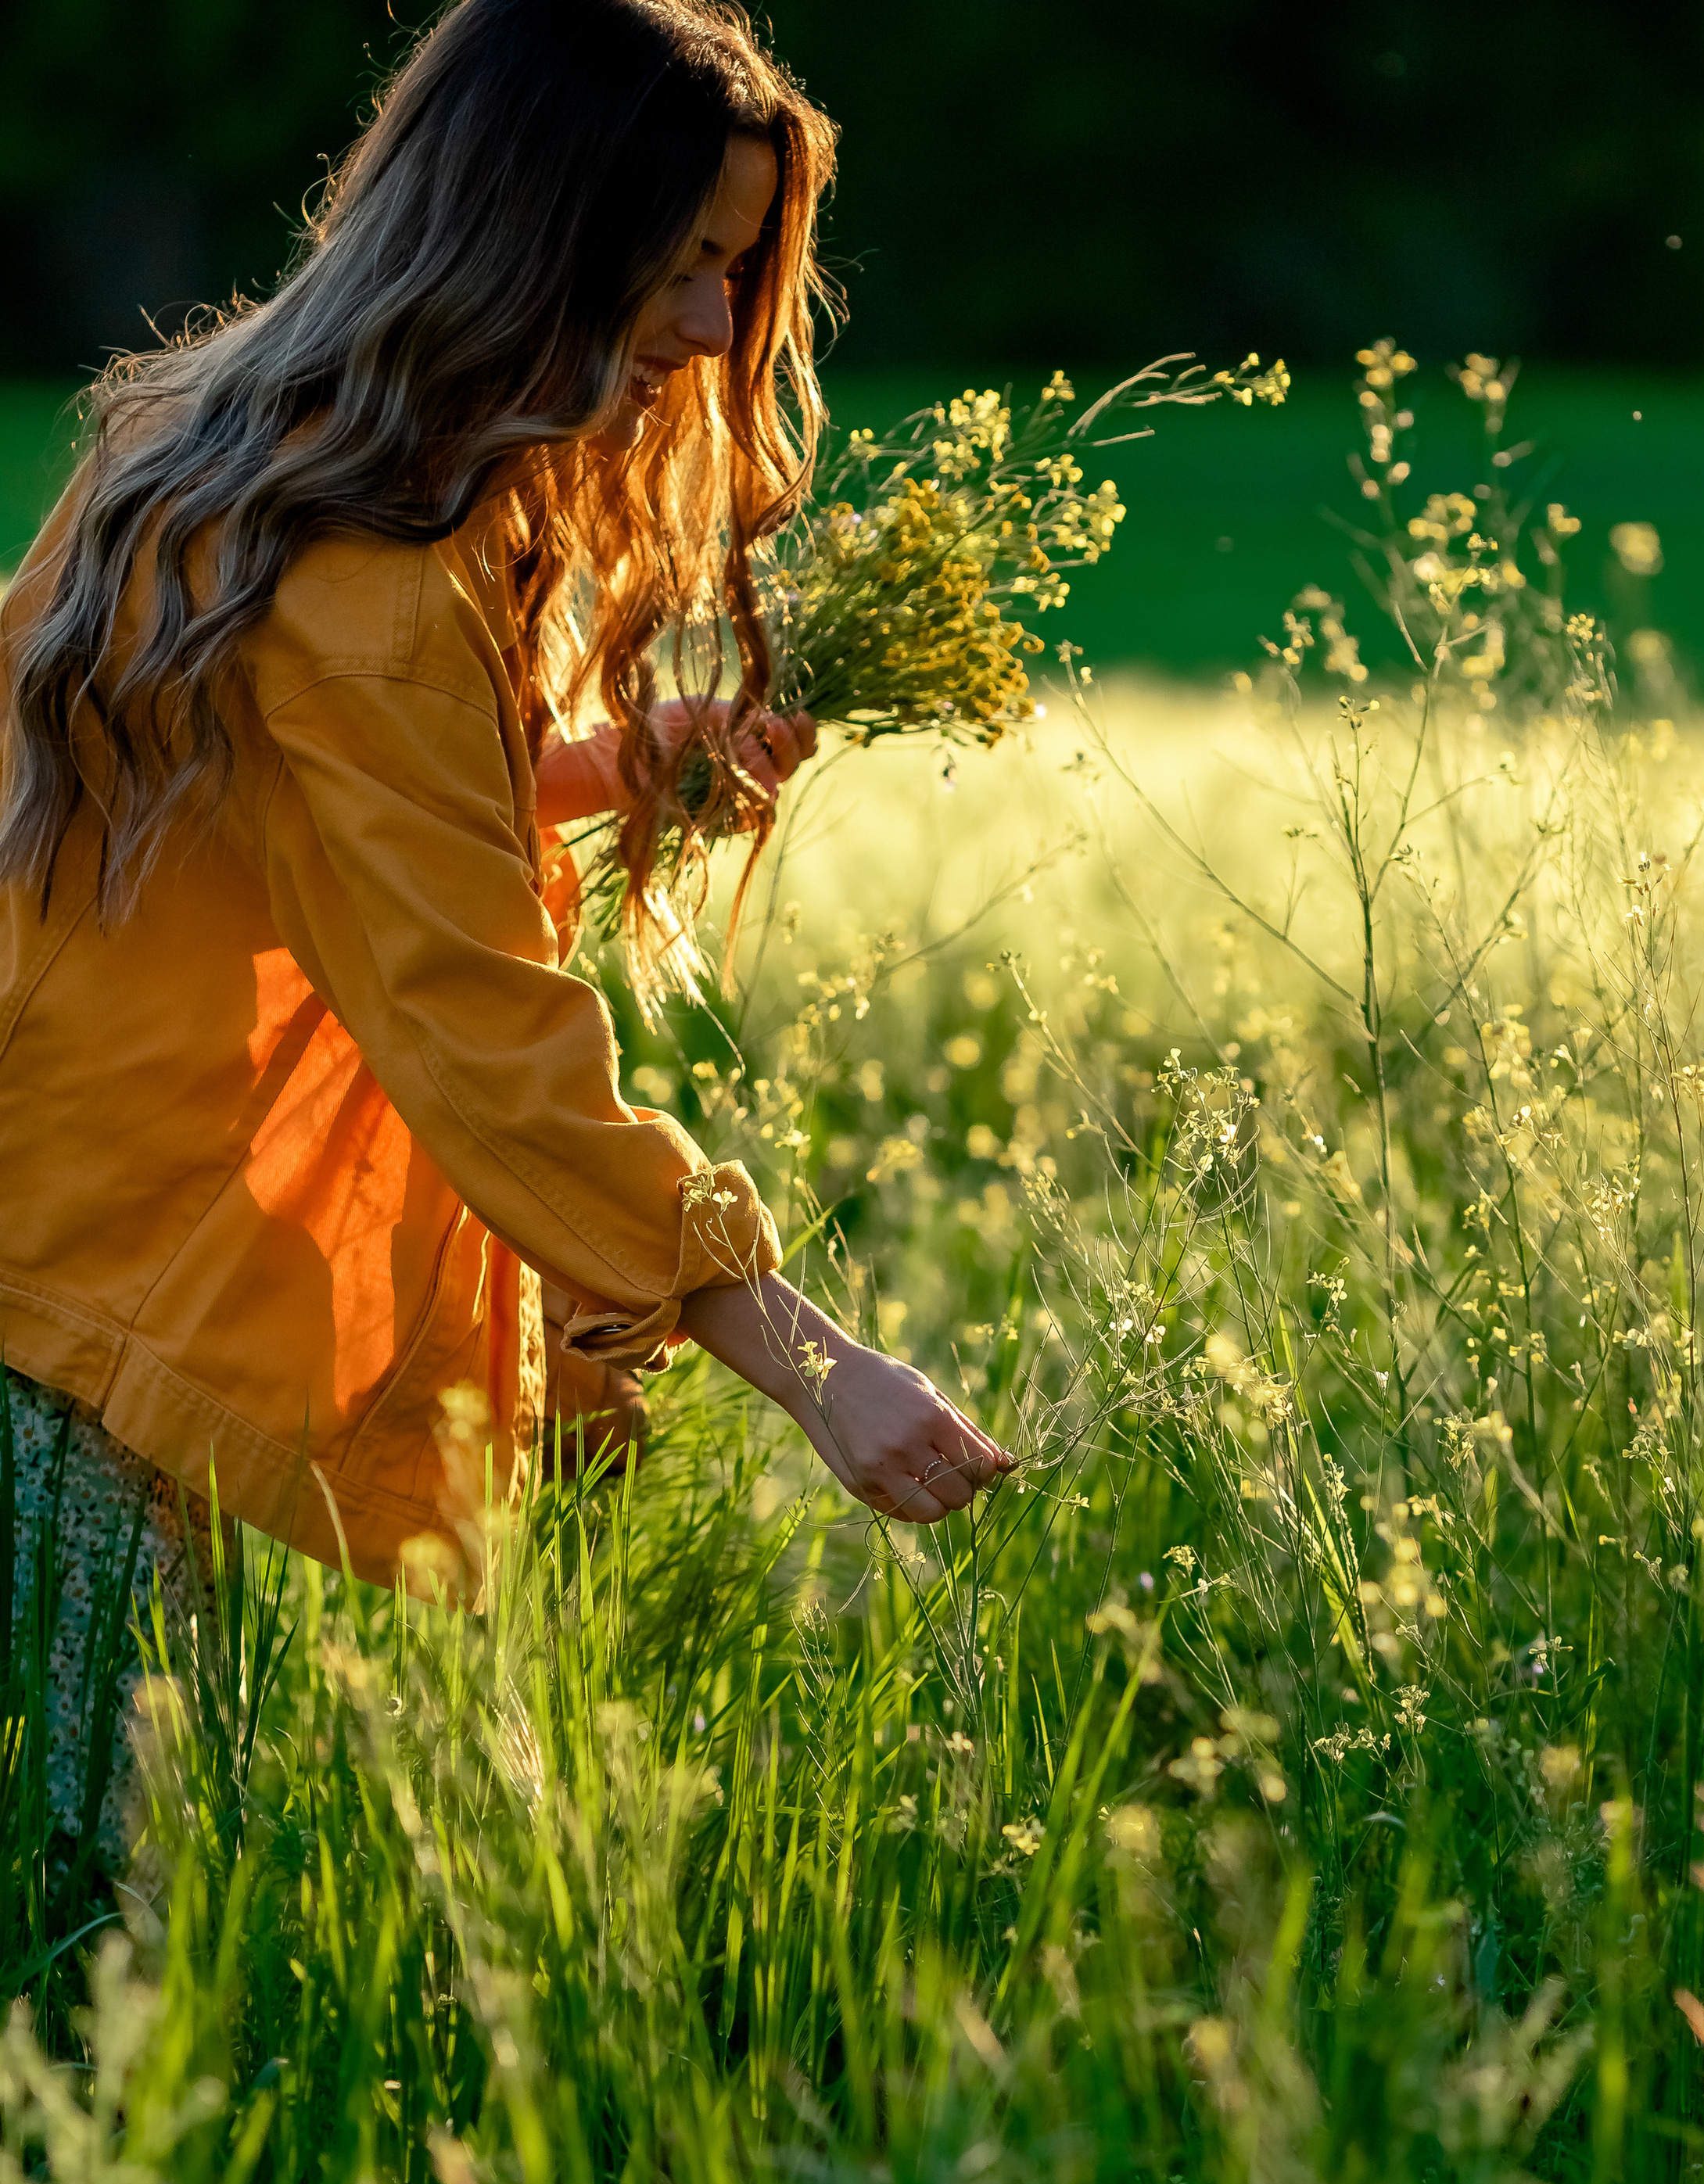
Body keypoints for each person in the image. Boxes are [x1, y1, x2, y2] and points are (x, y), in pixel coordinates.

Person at [0, 0, 1013, 1843]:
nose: (714, 327)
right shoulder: (361, 584)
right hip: (74, 1283)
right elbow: (487, 1039)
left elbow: (269, 794)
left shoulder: (222, 439)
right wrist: (816, 1364)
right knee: (101, 1907)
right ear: (538, 236)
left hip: (62, 1218)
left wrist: (603, 764)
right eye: (688, 263)